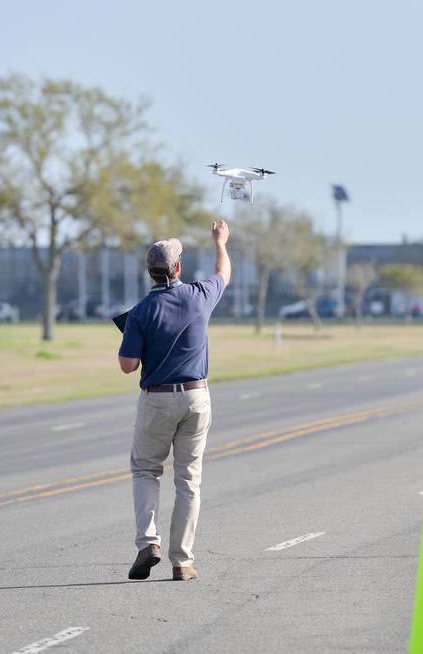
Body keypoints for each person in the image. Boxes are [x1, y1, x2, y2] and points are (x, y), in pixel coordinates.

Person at [119, 221, 230, 582]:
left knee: (146, 471)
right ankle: (182, 561)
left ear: (149, 272)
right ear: (178, 267)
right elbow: (223, 273)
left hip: (156, 400)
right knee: (188, 480)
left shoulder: (140, 312)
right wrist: (220, 242)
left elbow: (127, 366)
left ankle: (148, 542)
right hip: (196, 397)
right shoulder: (200, 295)